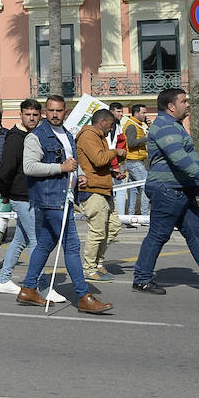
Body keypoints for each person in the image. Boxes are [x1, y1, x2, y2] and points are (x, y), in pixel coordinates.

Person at [132, 88, 199, 295]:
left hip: (180, 190)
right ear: (171, 106)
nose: (187, 104)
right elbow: (178, 156)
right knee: (158, 235)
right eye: (184, 101)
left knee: (196, 234)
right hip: (168, 190)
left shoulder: (174, 125)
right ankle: (142, 279)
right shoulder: (165, 125)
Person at [16, 95, 112, 314]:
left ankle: (29, 288)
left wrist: (80, 176)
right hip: (51, 200)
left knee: (45, 244)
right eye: (50, 111)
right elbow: (29, 167)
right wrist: (61, 168)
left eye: (59, 111)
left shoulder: (67, 135)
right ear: (45, 112)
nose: (55, 114)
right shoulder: (36, 137)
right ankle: (83, 296)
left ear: (65, 112)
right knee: (71, 245)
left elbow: (72, 163)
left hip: (65, 197)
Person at [0, 100, 54, 296]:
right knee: (37, 241)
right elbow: (5, 171)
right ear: (21, 114)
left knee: (20, 240)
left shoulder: (35, 135)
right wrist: (5, 194)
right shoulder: (15, 138)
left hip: (32, 194)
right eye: (28, 114)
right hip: (21, 196)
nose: (32, 118)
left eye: (35, 115)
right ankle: (42, 287)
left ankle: (3, 280)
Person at [76, 109, 123, 282]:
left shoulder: (98, 137)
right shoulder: (88, 136)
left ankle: (98, 263)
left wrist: (112, 173)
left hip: (104, 188)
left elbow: (97, 165)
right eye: (111, 125)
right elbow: (99, 159)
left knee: (113, 227)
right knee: (97, 232)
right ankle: (89, 269)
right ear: (103, 122)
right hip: (93, 191)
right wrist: (116, 152)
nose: (111, 129)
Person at [121, 104, 150, 221]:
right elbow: (132, 143)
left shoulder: (138, 125)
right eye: (143, 113)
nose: (145, 115)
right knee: (146, 187)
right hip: (134, 161)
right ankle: (144, 216)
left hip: (135, 160)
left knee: (133, 189)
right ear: (136, 113)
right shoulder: (132, 126)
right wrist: (146, 138)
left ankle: (130, 216)